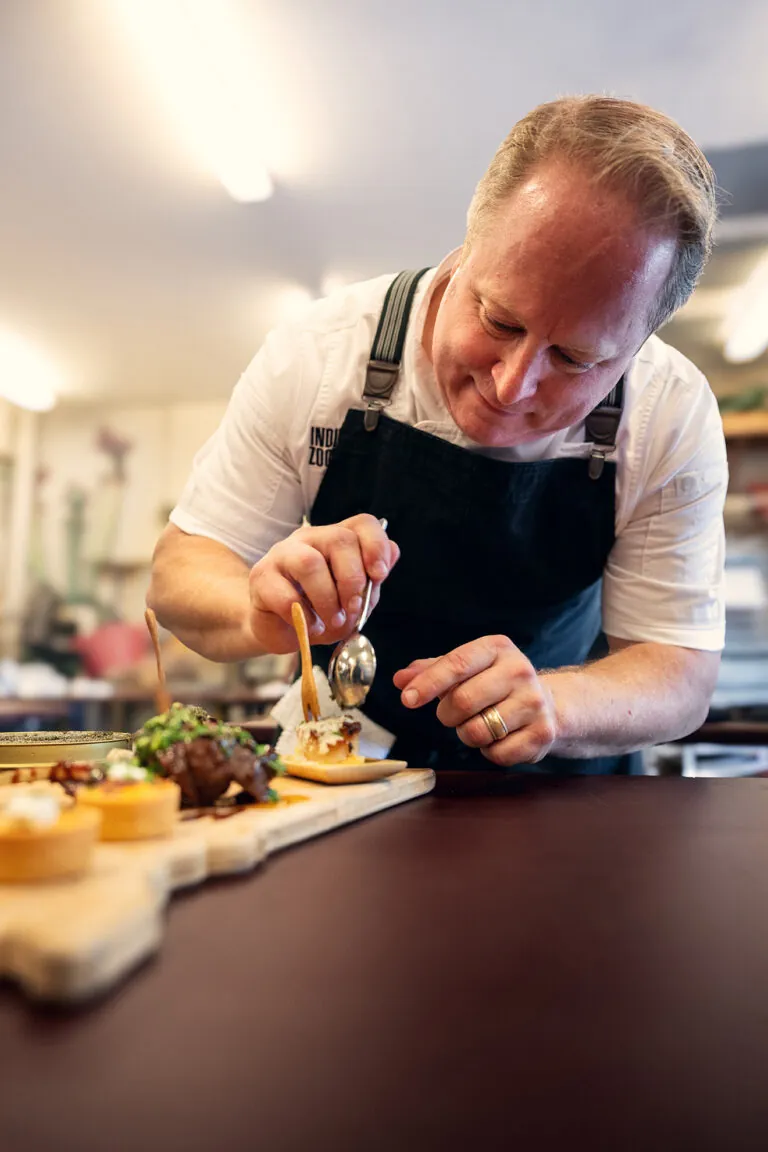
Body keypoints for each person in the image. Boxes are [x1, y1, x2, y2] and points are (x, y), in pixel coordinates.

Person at [148, 95, 728, 774]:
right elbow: (180, 571)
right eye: (499, 320)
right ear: (464, 252)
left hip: (560, 785)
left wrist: (556, 703)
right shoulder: (322, 355)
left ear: (639, 347)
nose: (512, 385)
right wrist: (257, 610)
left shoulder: (669, 410)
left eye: (575, 358)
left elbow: (679, 670)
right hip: (342, 761)